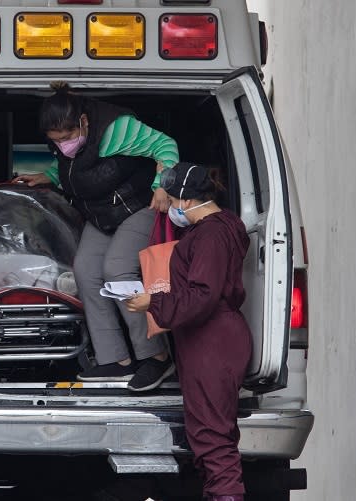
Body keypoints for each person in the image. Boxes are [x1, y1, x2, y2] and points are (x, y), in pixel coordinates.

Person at [13, 81, 179, 391]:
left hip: (140, 206)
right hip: (104, 215)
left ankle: (156, 356)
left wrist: (162, 185)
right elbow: (74, 168)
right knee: (86, 271)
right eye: (56, 141)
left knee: (116, 270)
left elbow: (165, 145)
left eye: (67, 138)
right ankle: (115, 360)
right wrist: (47, 176)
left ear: (84, 122)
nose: (64, 144)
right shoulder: (68, 141)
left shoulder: (117, 129)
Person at [125, 162, 252, 501]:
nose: (168, 209)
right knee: (212, 434)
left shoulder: (210, 235)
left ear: (184, 200)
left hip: (211, 341)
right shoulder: (226, 224)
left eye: (169, 201)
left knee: (213, 439)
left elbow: (202, 295)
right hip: (216, 339)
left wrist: (153, 302)